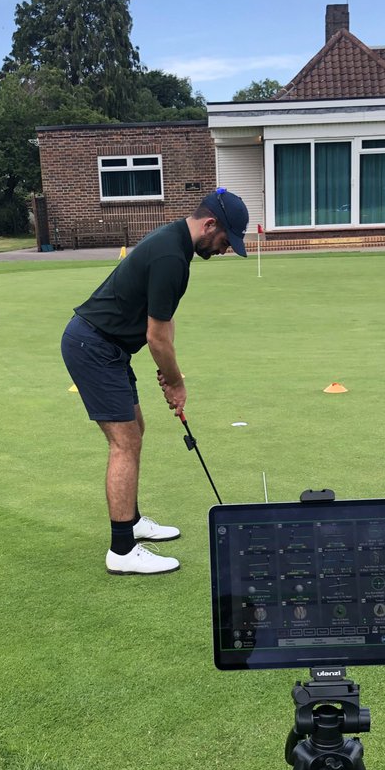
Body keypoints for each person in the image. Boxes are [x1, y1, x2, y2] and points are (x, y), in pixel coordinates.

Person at [61, 188, 249, 575]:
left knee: (135, 431)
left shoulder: (177, 248)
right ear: (209, 224)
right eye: (225, 240)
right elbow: (156, 337)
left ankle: (131, 521)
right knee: (124, 442)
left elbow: (163, 321)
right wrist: (177, 383)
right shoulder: (170, 255)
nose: (226, 249)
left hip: (109, 348)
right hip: (93, 346)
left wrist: (169, 371)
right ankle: (122, 549)